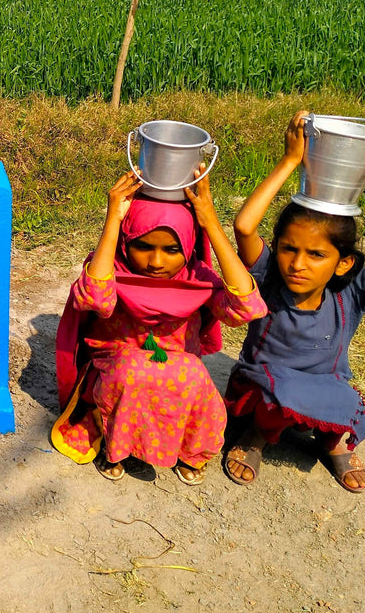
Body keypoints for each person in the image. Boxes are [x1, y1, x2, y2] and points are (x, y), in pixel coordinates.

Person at [224, 111, 365, 492]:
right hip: (265, 388)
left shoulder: (352, 291)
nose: (297, 264)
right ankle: (257, 437)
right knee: (276, 399)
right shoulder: (270, 278)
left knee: (340, 400)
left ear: (343, 262)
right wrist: (290, 161)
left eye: (316, 255)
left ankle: (331, 443)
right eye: (288, 249)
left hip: (325, 385)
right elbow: (245, 226)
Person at [52, 166, 266, 485]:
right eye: (143, 246)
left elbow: (246, 307)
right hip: (114, 372)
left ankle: (191, 451)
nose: (156, 262)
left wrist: (210, 222)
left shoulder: (196, 278)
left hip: (176, 374)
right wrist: (114, 219)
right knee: (134, 372)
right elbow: (95, 298)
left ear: (190, 246)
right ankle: (114, 444)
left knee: (193, 376)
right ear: (126, 241)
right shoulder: (111, 269)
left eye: (172, 249)